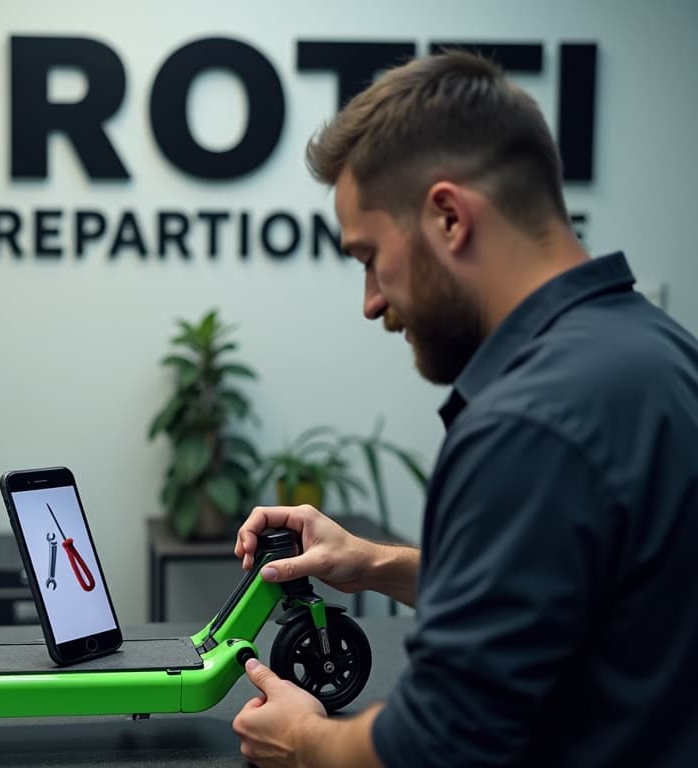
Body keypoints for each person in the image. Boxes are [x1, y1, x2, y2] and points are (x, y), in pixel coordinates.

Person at [231, 50, 698, 767]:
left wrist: (301, 741)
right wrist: (374, 562)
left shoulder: (530, 421)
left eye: (368, 258)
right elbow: (584, 598)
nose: (371, 304)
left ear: (448, 217)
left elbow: (436, 748)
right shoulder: (660, 353)